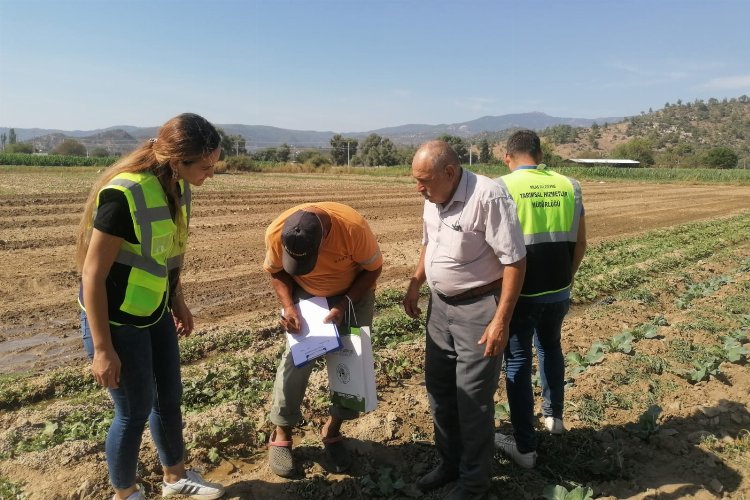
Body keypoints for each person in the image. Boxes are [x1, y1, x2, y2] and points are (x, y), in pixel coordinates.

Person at [76, 113, 225, 500]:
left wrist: (179, 300)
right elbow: (92, 276)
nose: (212, 173)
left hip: (154, 309)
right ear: (178, 161)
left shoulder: (178, 185)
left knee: (169, 397)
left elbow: (168, 255)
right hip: (116, 320)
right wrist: (103, 348)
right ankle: (126, 493)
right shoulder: (124, 194)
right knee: (133, 412)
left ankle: (175, 477)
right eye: (206, 167)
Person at [403, 140, 527, 500]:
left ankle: (474, 484)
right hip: (439, 308)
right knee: (440, 391)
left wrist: (500, 320)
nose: (419, 188)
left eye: (424, 180)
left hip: (479, 310)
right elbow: (430, 242)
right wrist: (415, 282)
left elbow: (515, 262)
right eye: (416, 180)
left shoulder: (489, 197)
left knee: (473, 400)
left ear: (450, 172)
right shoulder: (432, 199)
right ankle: (449, 463)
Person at [263, 202, 383, 478]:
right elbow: (276, 271)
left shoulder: (352, 228)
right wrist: (289, 306)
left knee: (353, 364)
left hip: (353, 294)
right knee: (296, 359)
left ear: (324, 239)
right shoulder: (276, 232)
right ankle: (282, 431)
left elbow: (373, 269)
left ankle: (333, 430)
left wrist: (344, 304)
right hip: (306, 296)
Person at [493, 129, 587, 469]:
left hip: (520, 295)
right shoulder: (570, 185)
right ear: (540, 152)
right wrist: (566, 279)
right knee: (551, 348)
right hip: (558, 292)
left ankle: (525, 448)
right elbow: (581, 244)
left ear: (508, 156)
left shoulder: (502, 187)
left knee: (517, 362)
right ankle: (554, 418)